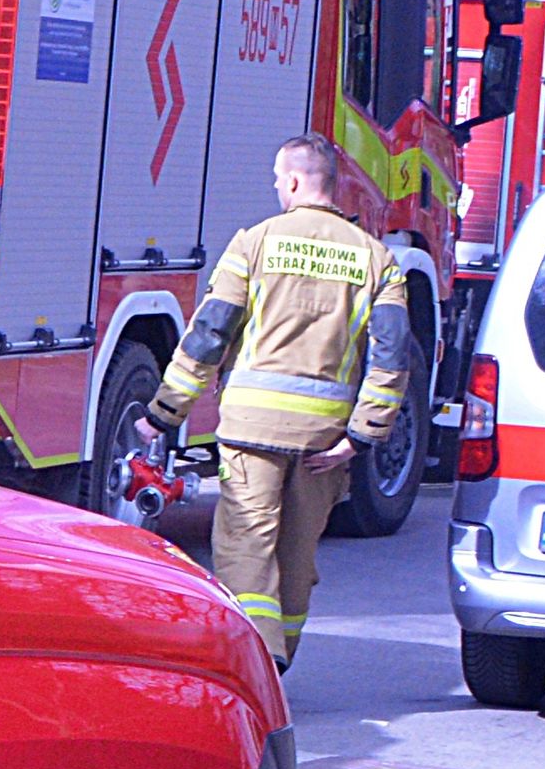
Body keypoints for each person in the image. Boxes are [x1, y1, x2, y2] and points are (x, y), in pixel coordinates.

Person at [155, 139, 409, 666]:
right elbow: (392, 356)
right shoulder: (377, 259)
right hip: (325, 443)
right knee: (296, 556)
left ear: (294, 182)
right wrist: (361, 437)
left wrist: (164, 412)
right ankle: (281, 652)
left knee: (246, 548)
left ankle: (259, 659)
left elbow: (210, 333)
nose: (275, 186)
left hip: (252, 430)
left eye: (277, 177)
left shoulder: (255, 243)